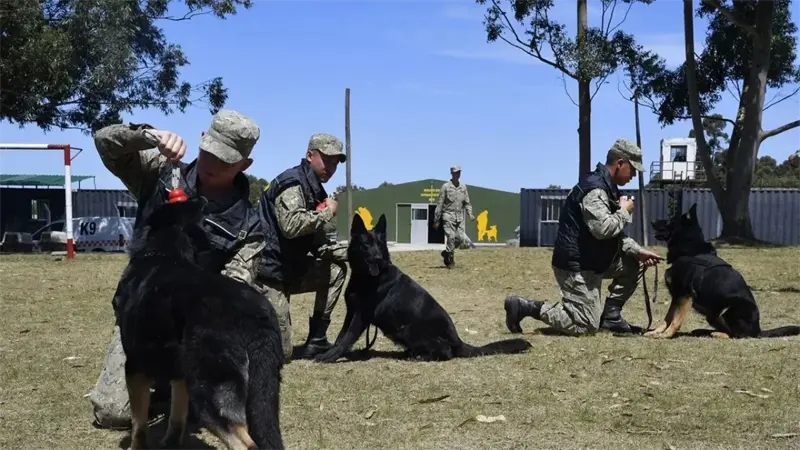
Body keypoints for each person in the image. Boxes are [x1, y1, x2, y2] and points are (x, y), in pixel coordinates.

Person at [88, 109, 265, 430]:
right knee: (114, 413)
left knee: (214, 407)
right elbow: (105, 143)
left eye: (225, 160)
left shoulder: (249, 226)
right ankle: (164, 386)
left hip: (192, 327)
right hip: (142, 315)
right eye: (209, 153)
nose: (212, 165)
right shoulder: (160, 170)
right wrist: (146, 136)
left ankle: (178, 386)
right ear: (201, 140)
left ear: (245, 165)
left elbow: (233, 287)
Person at [504, 138, 663, 336]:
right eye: (632, 169)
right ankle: (527, 307)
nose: (633, 175)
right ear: (620, 163)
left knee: (633, 262)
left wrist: (638, 251)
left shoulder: (607, 187)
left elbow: (615, 236)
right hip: (576, 265)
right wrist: (623, 212)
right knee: (585, 326)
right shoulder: (595, 189)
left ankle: (611, 317)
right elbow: (602, 229)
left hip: (594, 260)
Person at [255, 133, 348, 362]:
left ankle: (317, 339)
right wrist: (328, 212)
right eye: (327, 160)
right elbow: (291, 225)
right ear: (309, 155)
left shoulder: (315, 190)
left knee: (336, 271)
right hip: (268, 273)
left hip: (290, 269)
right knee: (281, 354)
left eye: (336, 162)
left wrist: (354, 254)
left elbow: (319, 244)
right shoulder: (293, 183)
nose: (331, 167)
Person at [433, 166, 475, 268]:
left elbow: (467, 202)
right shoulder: (446, 187)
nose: (457, 174)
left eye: (459, 172)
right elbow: (440, 203)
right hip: (448, 215)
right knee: (451, 237)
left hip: (459, 216)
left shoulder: (463, 187)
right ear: (452, 174)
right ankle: (451, 260)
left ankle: (446, 253)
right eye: (455, 173)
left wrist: (470, 213)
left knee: (460, 238)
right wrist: (437, 219)